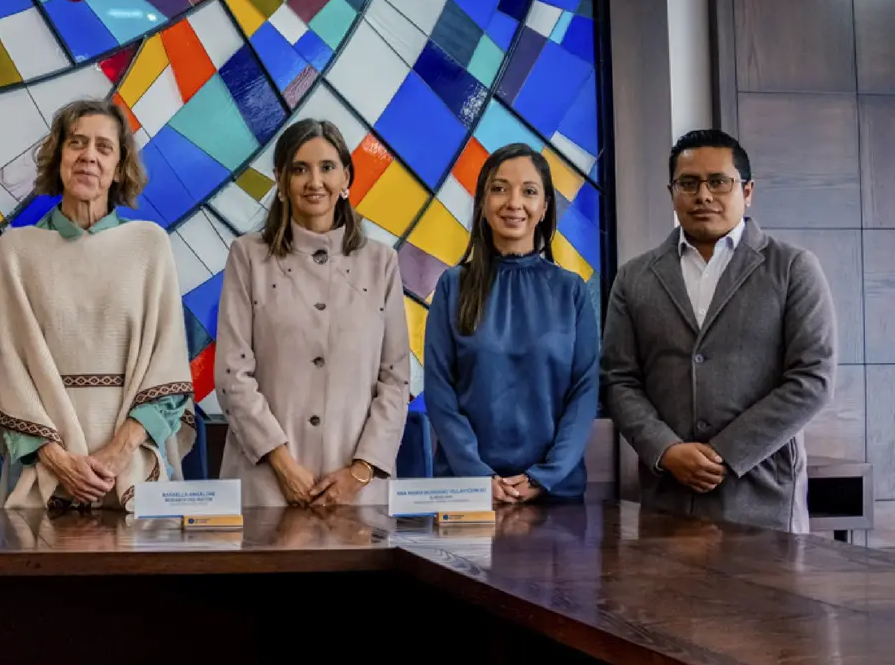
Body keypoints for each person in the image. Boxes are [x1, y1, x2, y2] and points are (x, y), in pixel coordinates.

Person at [602, 129, 836, 532]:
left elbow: (812, 380)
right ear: (672, 192)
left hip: (762, 499)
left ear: (747, 191)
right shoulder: (635, 277)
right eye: (688, 183)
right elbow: (619, 379)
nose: (703, 195)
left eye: (719, 182)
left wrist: (725, 454)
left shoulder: (792, 268)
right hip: (667, 500)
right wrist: (667, 449)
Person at [0, 99, 194, 511]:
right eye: (76, 142)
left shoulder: (149, 245)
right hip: (45, 467)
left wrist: (117, 454)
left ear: (120, 167)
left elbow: (167, 362)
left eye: (103, 147)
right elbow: (8, 368)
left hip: (133, 458)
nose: (88, 156)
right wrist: (60, 461)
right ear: (58, 156)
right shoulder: (16, 250)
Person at [215, 118, 409, 507]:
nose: (314, 181)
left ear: (346, 179)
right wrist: (282, 463)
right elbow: (232, 374)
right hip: (264, 485)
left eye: (327, 167)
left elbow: (395, 379)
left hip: (357, 493)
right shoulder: (248, 256)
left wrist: (361, 471)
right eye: (299, 169)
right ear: (281, 181)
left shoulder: (381, 262)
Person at [423, 143, 599, 503]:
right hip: (467, 492)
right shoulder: (452, 286)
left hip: (554, 493)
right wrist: (478, 478)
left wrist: (542, 478)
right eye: (500, 189)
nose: (514, 203)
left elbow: (584, 395)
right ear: (483, 203)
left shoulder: (571, 291)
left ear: (545, 207)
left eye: (529, 192)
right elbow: (440, 393)